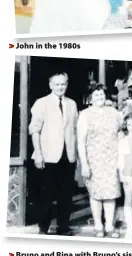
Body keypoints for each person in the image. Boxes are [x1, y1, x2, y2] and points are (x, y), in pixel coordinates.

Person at [28, 72, 78, 235]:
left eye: (63, 84)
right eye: (57, 84)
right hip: (48, 156)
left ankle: (62, 227)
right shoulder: (41, 103)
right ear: (50, 85)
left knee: (66, 195)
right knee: (46, 194)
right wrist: (38, 154)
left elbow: (75, 130)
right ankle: (44, 228)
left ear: (67, 84)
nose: (60, 87)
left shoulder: (72, 104)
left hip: (67, 156)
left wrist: (76, 156)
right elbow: (34, 130)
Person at [77, 84, 122, 238]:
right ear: (90, 98)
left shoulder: (115, 113)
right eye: (96, 95)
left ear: (106, 96)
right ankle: (98, 225)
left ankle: (110, 226)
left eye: (102, 94)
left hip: (112, 159)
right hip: (93, 160)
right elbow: (80, 141)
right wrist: (84, 164)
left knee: (111, 193)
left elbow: (121, 132)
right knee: (96, 194)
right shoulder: (84, 115)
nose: (99, 97)